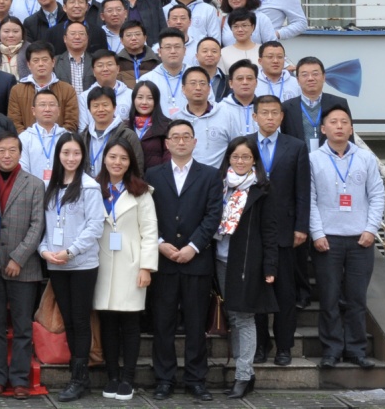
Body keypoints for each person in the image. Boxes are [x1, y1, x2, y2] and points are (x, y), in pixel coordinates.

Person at [143, 120, 223, 402]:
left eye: (186, 136)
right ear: (166, 143)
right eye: (175, 137)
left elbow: (213, 215)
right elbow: (146, 214)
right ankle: (164, 379)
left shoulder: (210, 175)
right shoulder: (152, 174)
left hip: (196, 261)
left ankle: (196, 379)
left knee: (195, 324)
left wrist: (193, 246)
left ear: (194, 142)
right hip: (163, 260)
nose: (180, 141)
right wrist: (159, 243)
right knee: (163, 323)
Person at [309, 105, 384, 369]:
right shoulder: (313, 159)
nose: (339, 126)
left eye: (344, 122)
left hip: (360, 240)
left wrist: (371, 229)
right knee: (329, 298)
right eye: (333, 122)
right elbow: (309, 199)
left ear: (351, 129)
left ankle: (356, 350)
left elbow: (377, 195)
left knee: (356, 298)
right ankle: (331, 350)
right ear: (323, 128)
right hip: (327, 239)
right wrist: (317, 233)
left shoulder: (365, 158)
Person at [36, 134, 103, 402]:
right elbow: (44, 227)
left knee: (80, 319)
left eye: (76, 153)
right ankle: (79, 377)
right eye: (66, 153)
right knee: (68, 319)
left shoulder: (89, 187)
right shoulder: (49, 186)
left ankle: (79, 378)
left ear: (83, 156)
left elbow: (95, 227)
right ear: (58, 155)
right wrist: (44, 251)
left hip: (82, 264)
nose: (71, 158)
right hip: (56, 265)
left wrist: (71, 251)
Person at [92, 140, 158, 401]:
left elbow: (150, 232)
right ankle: (112, 376)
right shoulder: (93, 188)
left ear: (130, 162)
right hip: (101, 263)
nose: (117, 162)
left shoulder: (142, 192)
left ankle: (128, 379)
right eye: (112, 157)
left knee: (130, 323)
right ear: (104, 159)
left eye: (123, 158)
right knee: (107, 322)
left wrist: (146, 267)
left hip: (131, 264)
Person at [213, 137, 279, 399]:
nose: (240, 161)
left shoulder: (262, 189)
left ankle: (242, 376)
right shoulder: (219, 186)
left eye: (246, 157)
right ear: (228, 159)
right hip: (219, 259)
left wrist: (269, 266)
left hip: (247, 262)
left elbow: (270, 231)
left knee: (244, 317)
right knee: (233, 316)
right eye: (235, 157)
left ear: (254, 161)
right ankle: (246, 374)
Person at [0, 133, 44, 400]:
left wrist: (18, 257)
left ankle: (19, 379)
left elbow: (38, 225)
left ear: (20, 153)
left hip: (25, 267)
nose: (6, 155)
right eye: (1, 150)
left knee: (22, 327)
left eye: (12, 150)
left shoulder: (35, 184)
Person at [250, 95, 311, 367]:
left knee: (286, 292)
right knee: (256, 292)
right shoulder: (244, 145)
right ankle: (260, 344)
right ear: (255, 116)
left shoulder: (296, 147)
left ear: (282, 117)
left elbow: (303, 190)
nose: (270, 117)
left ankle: (284, 346)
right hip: (252, 229)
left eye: (275, 113)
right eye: (264, 113)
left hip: (286, 230)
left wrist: (301, 226)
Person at [81, 86, 145, 176]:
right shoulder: (83, 136)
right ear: (89, 110)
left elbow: (137, 169)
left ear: (114, 107)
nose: (101, 109)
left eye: (105, 105)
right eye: (95, 106)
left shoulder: (128, 135)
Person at [129, 81, 172, 169]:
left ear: (156, 101)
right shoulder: (125, 127)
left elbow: (169, 157)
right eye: (140, 97)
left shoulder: (166, 126)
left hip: (156, 176)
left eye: (150, 98)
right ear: (133, 99)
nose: (144, 102)